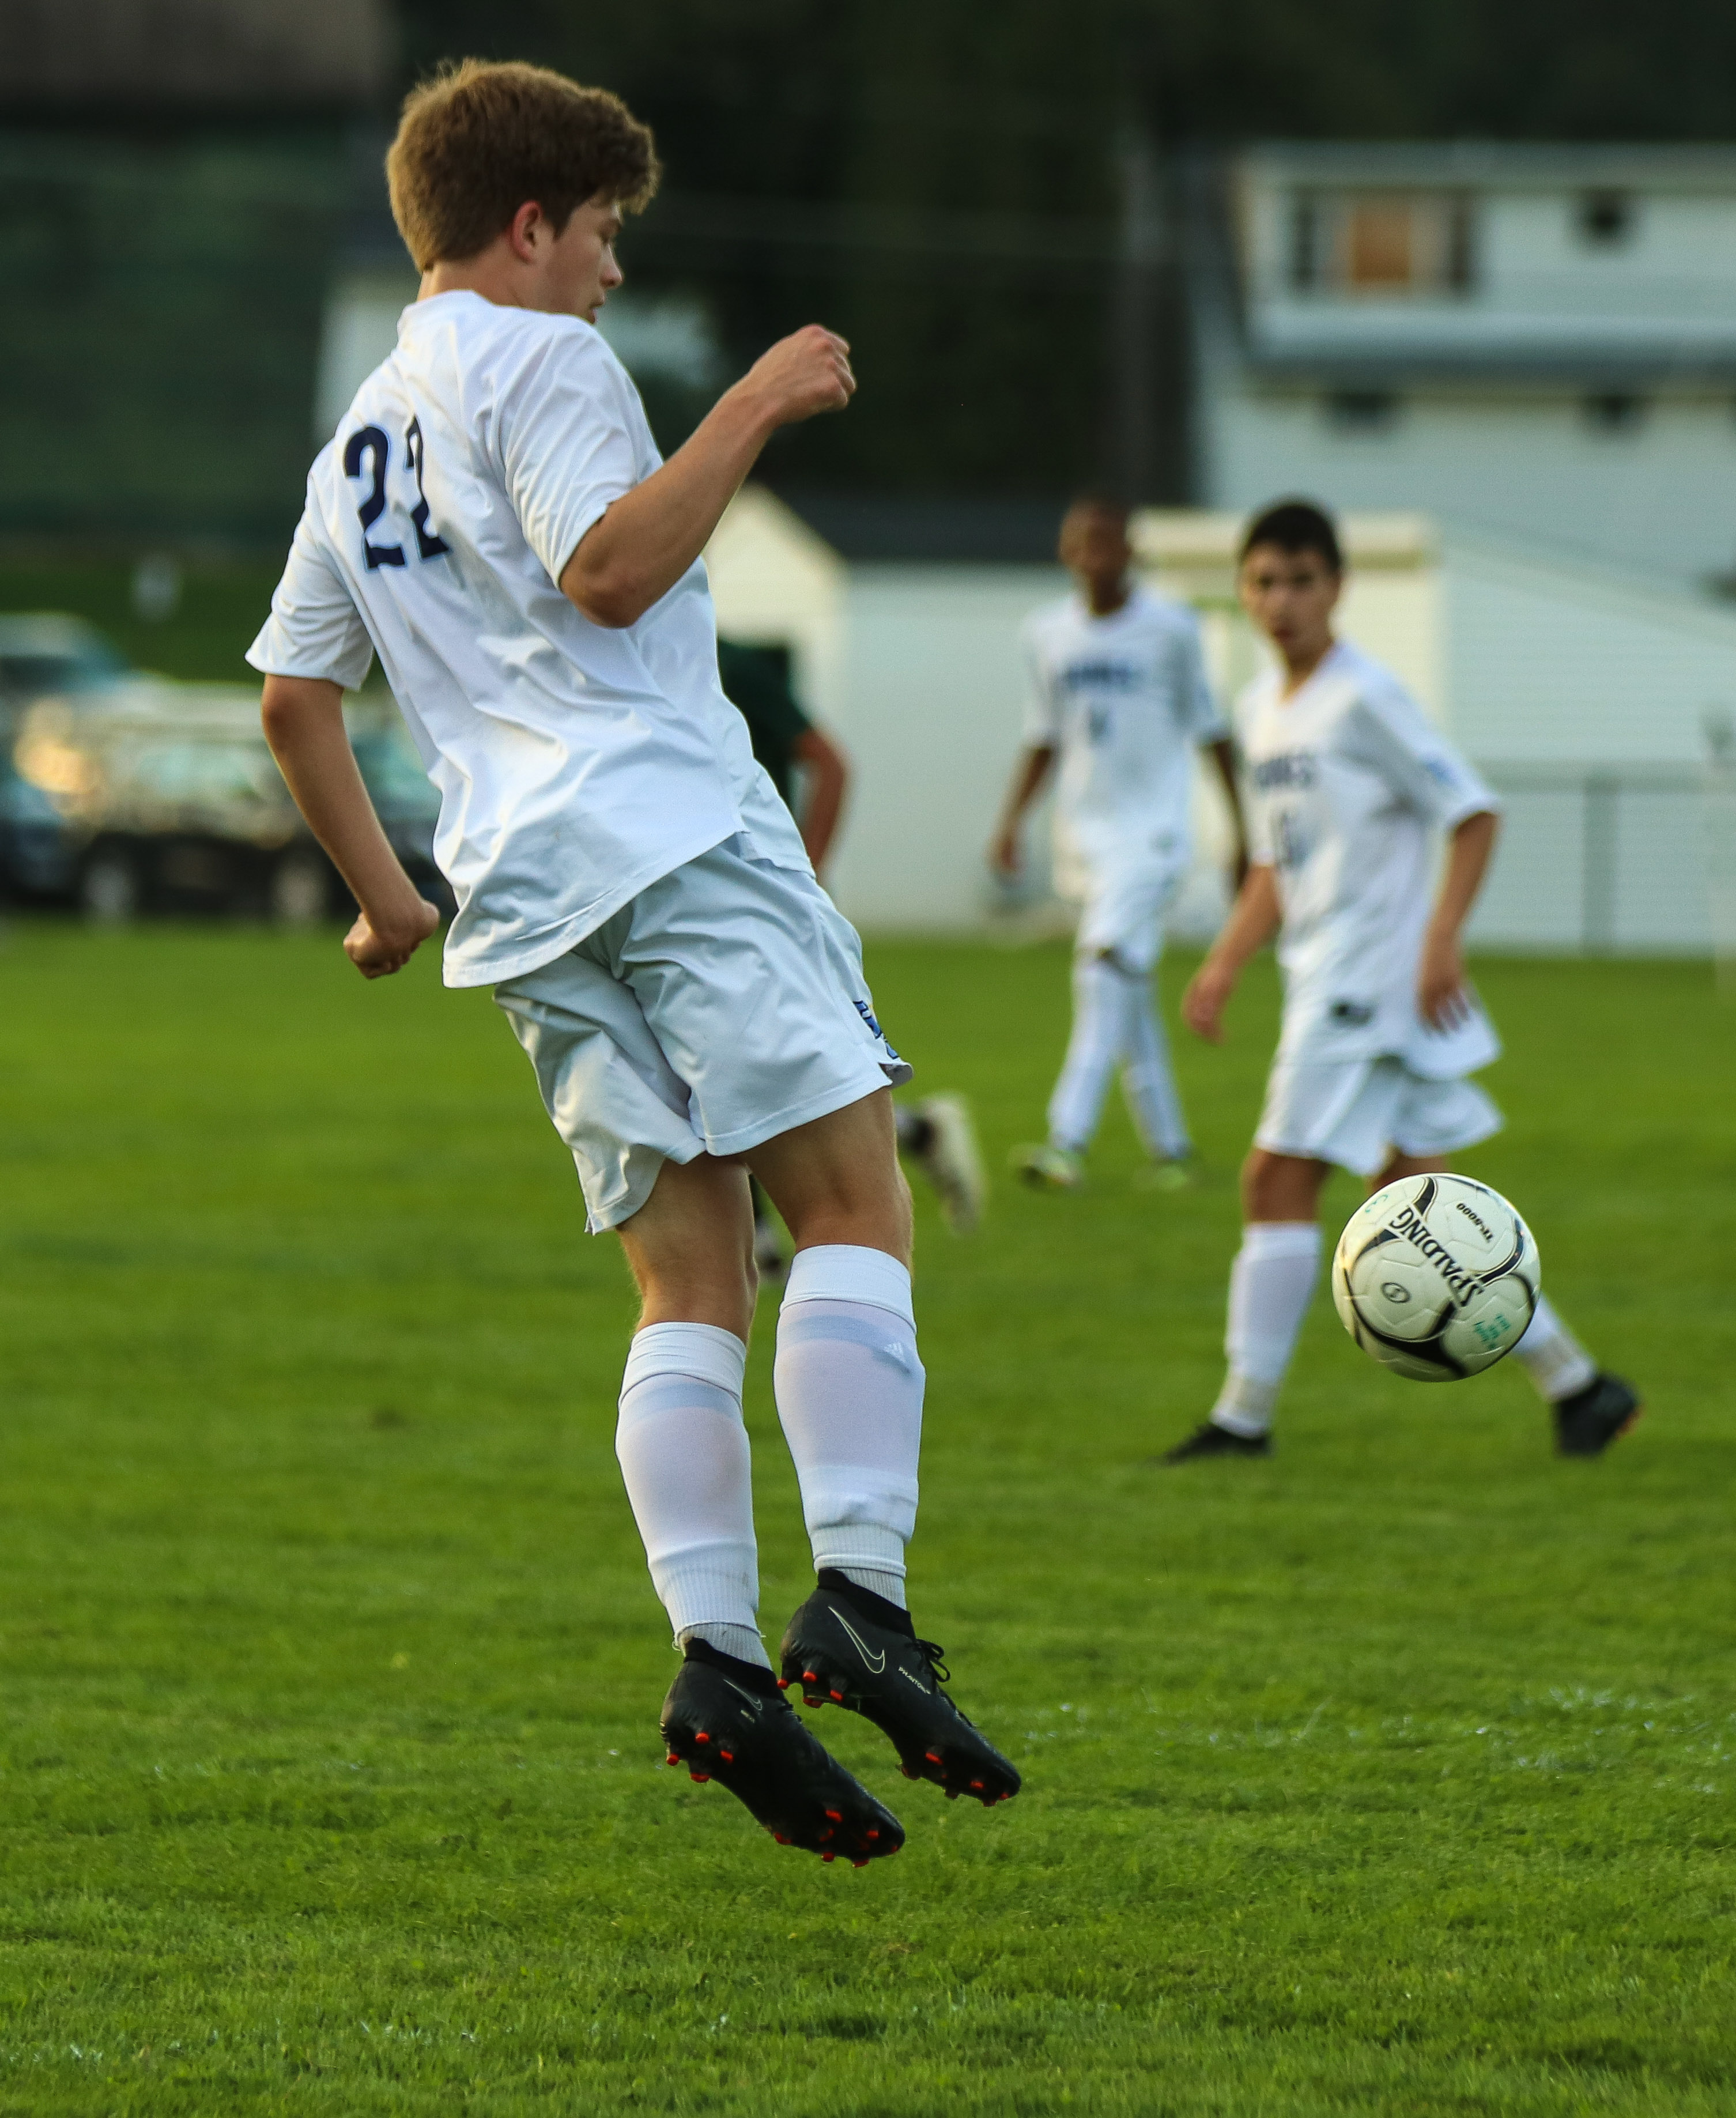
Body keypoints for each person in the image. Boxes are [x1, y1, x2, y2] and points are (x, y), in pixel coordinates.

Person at [247, 59, 1018, 1866]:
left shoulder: (360, 432)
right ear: (530, 224)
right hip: (671, 835)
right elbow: (609, 570)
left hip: (518, 890)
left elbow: (295, 698)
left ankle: (721, 1665)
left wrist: (388, 900)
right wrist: (748, 405)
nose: (608, 274)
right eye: (600, 235)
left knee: (687, 1282)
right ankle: (861, 1600)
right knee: (851, 1209)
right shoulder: (547, 360)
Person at [1163, 499, 1641, 1463]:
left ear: (1336, 588)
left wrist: (1441, 938)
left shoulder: (1363, 695)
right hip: (1323, 973)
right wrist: (1225, 958)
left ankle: (1241, 1419)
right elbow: (1273, 864)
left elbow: (1472, 811)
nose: (1280, 600)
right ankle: (1579, 1387)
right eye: (1262, 581)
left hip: (1364, 982)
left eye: (1301, 580)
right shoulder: (1260, 709)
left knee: (1272, 1180)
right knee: (1414, 1197)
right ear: (1243, 592)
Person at [991, 495, 1244, 1190]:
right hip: (1088, 840)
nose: (1094, 554)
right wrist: (1011, 821)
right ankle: (1173, 1153)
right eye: (1081, 541)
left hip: (1155, 837)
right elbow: (1044, 735)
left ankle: (1065, 1142)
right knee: (1125, 995)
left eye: (1108, 541)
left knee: (1098, 974)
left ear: (1131, 550)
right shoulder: (1045, 633)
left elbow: (1213, 731)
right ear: (1066, 552)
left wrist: (1242, 832)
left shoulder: (1171, 627)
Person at [717, 637, 986, 1274]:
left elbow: (828, 762)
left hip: (764, 905)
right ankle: (918, 1133)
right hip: (706, 906)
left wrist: (803, 875)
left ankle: (759, 1240)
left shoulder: (724, 661)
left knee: (757, 1067)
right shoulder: (625, 649)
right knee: (740, 1067)